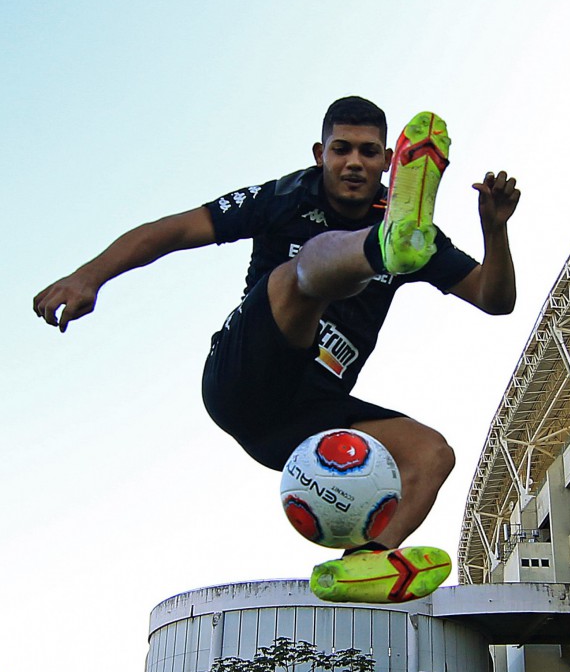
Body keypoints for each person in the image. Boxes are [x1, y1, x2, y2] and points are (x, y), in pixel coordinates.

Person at [33, 97, 520, 604]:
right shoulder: (284, 197)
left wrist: (495, 229)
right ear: (320, 154)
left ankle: (363, 567)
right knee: (303, 272)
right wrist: (88, 277)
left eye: (370, 152)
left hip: (304, 417)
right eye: (341, 149)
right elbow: (173, 231)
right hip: (245, 377)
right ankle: (379, 249)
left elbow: (494, 299)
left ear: (388, 163)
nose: (354, 162)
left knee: (432, 453)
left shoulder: (424, 238)